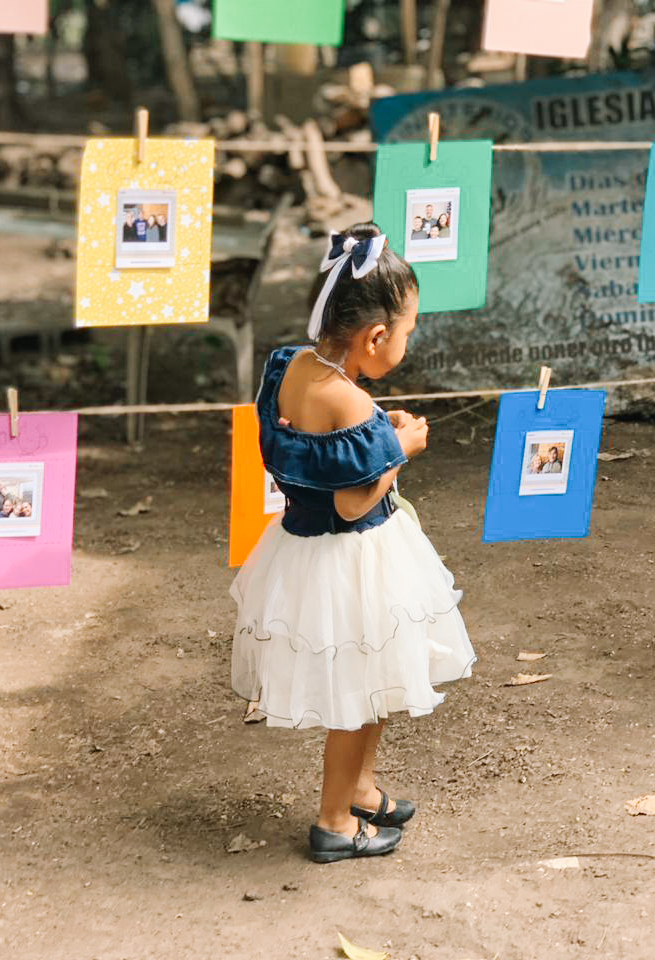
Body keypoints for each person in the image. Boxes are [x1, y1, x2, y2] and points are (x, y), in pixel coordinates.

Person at [231, 223, 475, 864]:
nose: (407, 340)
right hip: (353, 562)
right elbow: (354, 498)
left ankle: (361, 787)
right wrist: (398, 448)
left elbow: (313, 450)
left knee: (375, 682)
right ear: (374, 336)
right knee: (358, 694)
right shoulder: (357, 410)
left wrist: (372, 434)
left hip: (301, 550)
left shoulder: (289, 367)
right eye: (408, 330)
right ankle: (335, 820)